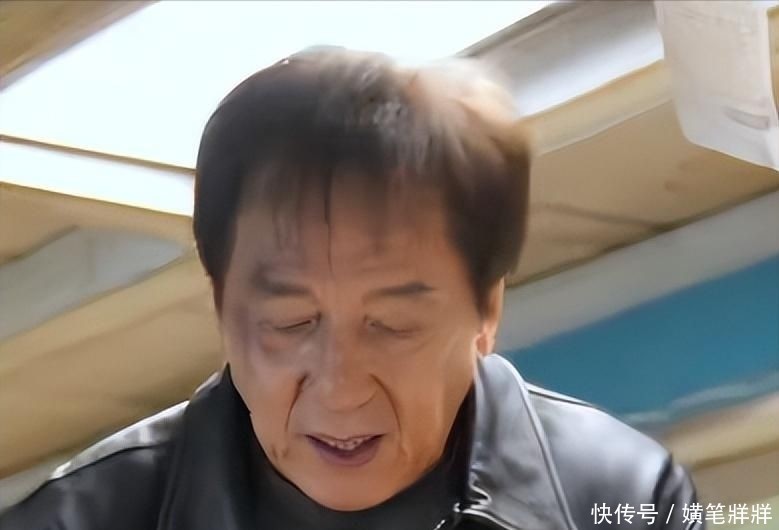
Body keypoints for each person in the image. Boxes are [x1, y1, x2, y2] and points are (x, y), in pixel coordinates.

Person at [0, 47, 702, 530]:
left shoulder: (621, 497)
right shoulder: (86, 517)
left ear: (486, 308)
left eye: (392, 325)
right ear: (222, 307)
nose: (339, 389)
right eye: (289, 321)